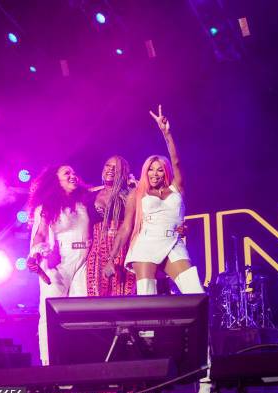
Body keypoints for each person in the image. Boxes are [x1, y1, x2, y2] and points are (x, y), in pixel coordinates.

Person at [104, 105, 204, 295]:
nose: (154, 173)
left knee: (195, 291)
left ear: (165, 172)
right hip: (146, 242)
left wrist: (166, 134)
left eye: (159, 169)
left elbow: (176, 161)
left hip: (173, 241)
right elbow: (126, 227)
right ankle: (146, 327)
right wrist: (111, 258)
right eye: (150, 168)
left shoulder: (176, 188)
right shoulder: (137, 194)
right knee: (147, 295)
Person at [27, 165, 90, 365]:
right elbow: (40, 234)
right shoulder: (46, 206)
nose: (73, 175)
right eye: (67, 173)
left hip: (83, 261)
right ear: (56, 181)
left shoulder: (83, 201)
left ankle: (78, 369)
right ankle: (50, 366)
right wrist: (36, 254)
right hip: (57, 263)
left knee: (81, 316)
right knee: (50, 314)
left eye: (74, 172)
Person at [86, 156, 136, 296]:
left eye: (116, 168)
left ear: (124, 172)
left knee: (122, 298)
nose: (111, 170)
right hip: (96, 253)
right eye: (108, 165)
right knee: (96, 298)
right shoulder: (91, 195)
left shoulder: (129, 195)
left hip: (123, 250)